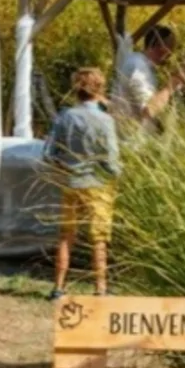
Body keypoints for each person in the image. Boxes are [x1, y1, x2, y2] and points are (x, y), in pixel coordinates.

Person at [43, 66, 121, 299]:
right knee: (99, 238)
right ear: (100, 89)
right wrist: (117, 173)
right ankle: (100, 288)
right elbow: (111, 159)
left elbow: (48, 153)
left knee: (66, 235)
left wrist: (65, 166)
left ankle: (58, 287)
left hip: (71, 182)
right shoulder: (105, 120)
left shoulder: (65, 117)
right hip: (98, 183)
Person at [111, 24, 185, 128]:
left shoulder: (144, 66)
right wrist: (171, 86)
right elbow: (148, 110)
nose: (171, 54)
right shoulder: (139, 66)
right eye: (171, 48)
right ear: (161, 46)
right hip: (129, 136)